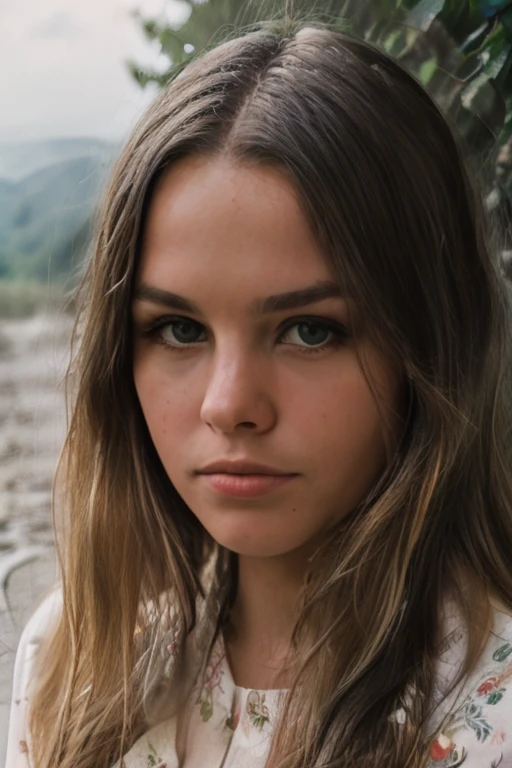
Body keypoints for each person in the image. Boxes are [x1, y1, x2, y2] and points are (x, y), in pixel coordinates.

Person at [6, 18, 512, 768]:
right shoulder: (74, 662)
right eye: (178, 329)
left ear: (433, 343)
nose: (230, 404)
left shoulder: (488, 713)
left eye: (310, 331)